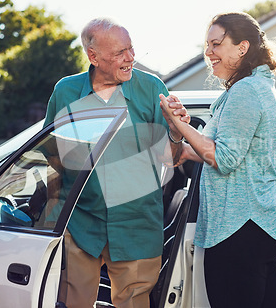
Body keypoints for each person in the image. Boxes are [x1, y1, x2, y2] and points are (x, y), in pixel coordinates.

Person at [43, 17, 188, 308]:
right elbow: (52, 154)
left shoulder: (151, 89)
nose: (130, 58)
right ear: (93, 56)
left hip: (136, 224)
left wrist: (175, 133)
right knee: (70, 303)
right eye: (120, 53)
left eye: (131, 49)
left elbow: (169, 159)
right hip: (81, 223)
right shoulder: (66, 92)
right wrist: (53, 211)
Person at [160, 12, 276, 308]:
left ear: (242, 47)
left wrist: (180, 125)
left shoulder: (246, 91)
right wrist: (185, 148)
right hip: (258, 226)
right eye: (207, 45)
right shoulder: (253, 87)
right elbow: (230, 151)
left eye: (216, 44)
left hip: (242, 229)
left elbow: (224, 158)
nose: (208, 53)